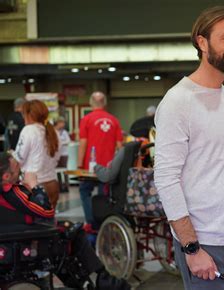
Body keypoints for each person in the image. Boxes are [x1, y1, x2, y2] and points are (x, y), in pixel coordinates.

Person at [153, 6, 224, 290]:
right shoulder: (178, 101)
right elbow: (166, 179)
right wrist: (191, 247)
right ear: (202, 42)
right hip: (205, 243)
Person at [0, 152, 130, 290]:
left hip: (14, 232)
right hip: (22, 237)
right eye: (16, 167)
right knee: (73, 231)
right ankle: (101, 278)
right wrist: (34, 185)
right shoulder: (10, 190)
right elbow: (46, 211)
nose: (20, 167)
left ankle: (91, 280)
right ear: (6, 177)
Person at [77, 91, 123, 228]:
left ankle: (91, 223)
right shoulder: (114, 120)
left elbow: (83, 143)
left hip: (90, 168)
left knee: (85, 191)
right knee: (103, 194)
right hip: (108, 169)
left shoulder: (86, 119)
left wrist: (79, 165)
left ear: (91, 103)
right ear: (105, 103)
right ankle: (102, 222)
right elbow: (120, 147)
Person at [12, 100, 60, 209]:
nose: (23, 117)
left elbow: (19, 158)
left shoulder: (29, 130)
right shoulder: (54, 132)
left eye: (23, 114)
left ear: (29, 114)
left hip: (34, 185)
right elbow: (56, 158)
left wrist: (12, 155)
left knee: (33, 224)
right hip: (52, 182)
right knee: (49, 222)